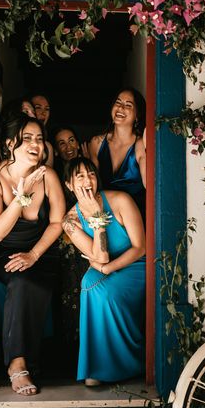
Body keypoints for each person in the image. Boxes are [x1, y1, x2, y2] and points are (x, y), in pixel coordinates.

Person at [0, 112, 65, 396]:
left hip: (40, 249)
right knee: (21, 281)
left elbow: (56, 222)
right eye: (28, 138)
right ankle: (17, 364)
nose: (36, 144)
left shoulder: (48, 175)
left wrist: (35, 255)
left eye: (40, 138)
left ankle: (31, 359)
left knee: (32, 278)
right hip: (2, 249)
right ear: (10, 142)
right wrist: (21, 195)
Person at [61, 157, 145, 387]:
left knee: (101, 287)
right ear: (69, 185)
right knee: (89, 282)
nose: (88, 180)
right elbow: (101, 256)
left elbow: (140, 247)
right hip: (108, 265)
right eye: (80, 176)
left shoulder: (120, 200)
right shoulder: (69, 220)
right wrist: (98, 220)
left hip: (137, 265)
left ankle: (131, 362)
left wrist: (106, 268)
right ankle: (96, 367)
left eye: (91, 174)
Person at [88, 87, 147, 223]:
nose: (120, 107)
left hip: (134, 219)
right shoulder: (96, 143)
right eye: (118, 102)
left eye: (128, 105)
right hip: (104, 216)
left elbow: (148, 184)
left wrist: (147, 141)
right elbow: (93, 187)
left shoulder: (139, 145)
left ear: (137, 115)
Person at [0, 97, 54, 167]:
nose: (33, 116)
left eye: (33, 112)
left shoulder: (46, 147)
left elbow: (47, 176)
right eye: (26, 111)